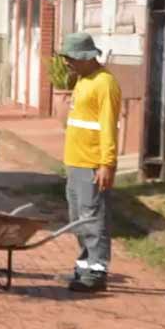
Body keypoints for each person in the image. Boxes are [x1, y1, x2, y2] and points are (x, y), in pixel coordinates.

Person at [60, 32, 121, 292]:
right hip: (75, 161)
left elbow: (108, 126)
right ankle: (84, 266)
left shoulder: (104, 83)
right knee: (78, 219)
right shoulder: (83, 80)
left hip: (93, 162)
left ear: (87, 58)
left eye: (71, 58)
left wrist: (107, 163)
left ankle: (97, 271)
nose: (67, 63)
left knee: (94, 217)